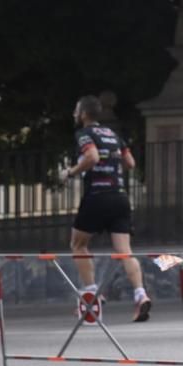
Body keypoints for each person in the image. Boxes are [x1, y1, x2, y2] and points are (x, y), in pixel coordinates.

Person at [60, 95, 150, 323]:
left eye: (75, 111)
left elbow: (91, 156)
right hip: (119, 196)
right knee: (124, 251)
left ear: (82, 114)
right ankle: (141, 294)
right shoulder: (113, 135)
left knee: (78, 244)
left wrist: (70, 172)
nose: (73, 114)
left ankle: (91, 294)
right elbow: (130, 163)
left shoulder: (84, 134)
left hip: (97, 196)